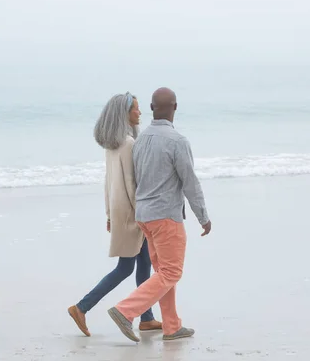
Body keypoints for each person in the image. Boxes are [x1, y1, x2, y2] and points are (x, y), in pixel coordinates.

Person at [107, 87, 212, 342]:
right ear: (175, 108)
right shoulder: (177, 141)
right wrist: (203, 215)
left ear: (153, 109)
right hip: (166, 216)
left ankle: (172, 326)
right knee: (171, 272)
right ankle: (125, 310)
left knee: (163, 272)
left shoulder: (140, 140)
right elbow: (190, 182)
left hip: (145, 216)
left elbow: (137, 179)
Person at [67, 92, 162, 337]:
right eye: (136, 109)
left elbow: (108, 184)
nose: (140, 113)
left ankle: (147, 317)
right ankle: (81, 307)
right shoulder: (129, 144)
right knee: (126, 268)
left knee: (143, 266)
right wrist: (144, 214)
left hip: (120, 211)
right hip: (132, 212)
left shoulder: (113, 144)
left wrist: (109, 214)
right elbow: (132, 184)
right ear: (124, 113)